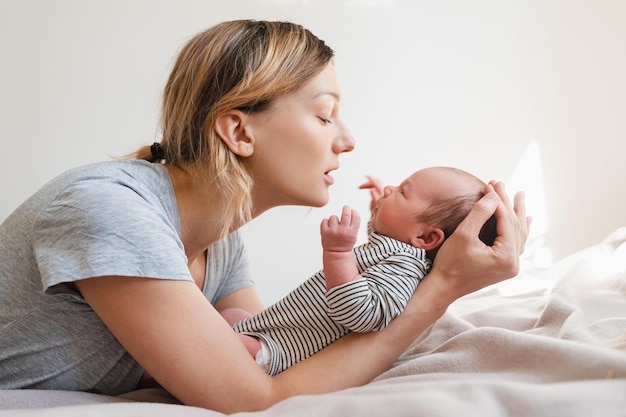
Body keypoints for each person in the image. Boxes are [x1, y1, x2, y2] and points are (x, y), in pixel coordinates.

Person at [0, 19, 530, 413]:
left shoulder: (219, 242)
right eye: (325, 115)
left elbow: (278, 355)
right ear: (239, 132)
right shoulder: (113, 211)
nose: (346, 141)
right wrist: (443, 288)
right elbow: (257, 399)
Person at [225, 167, 497, 376]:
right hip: (276, 331)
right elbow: (380, 243)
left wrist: (338, 253)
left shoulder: (406, 269)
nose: (390, 187)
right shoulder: (396, 252)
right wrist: (380, 207)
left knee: (223, 343)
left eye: (403, 192)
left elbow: (363, 314)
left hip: (283, 352)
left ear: (426, 239)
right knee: (232, 316)